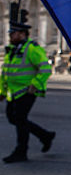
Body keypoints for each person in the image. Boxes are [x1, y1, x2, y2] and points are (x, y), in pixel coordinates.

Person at [2, 23, 54, 163]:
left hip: (27, 91)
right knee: (13, 119)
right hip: (13, 92)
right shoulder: (12, 49)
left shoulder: (32, 48)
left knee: (19, 120)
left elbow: (45, 69)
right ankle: (45, 136)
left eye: (13, 33)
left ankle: (21, 151)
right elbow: (5, 72)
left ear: (22, 34)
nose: (10, 36)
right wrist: (2, 91)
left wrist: (35, 85)